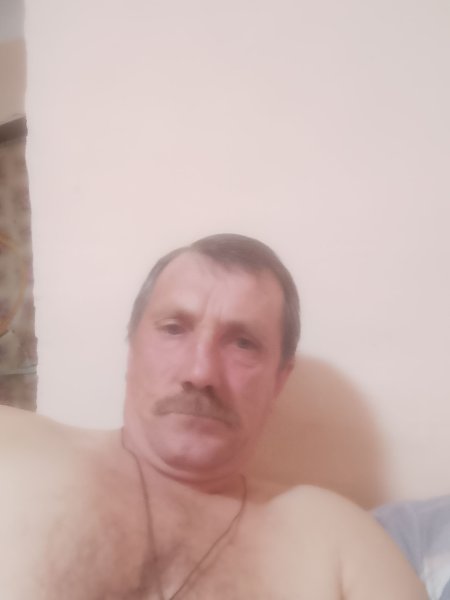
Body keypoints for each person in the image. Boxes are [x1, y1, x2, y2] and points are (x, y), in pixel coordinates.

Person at [0, 233, 426, 600]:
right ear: (132, 349)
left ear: (279, 379)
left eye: (243, 343)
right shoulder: (13, 448)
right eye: (174, 329)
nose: (200, 372)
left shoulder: (338, 539)